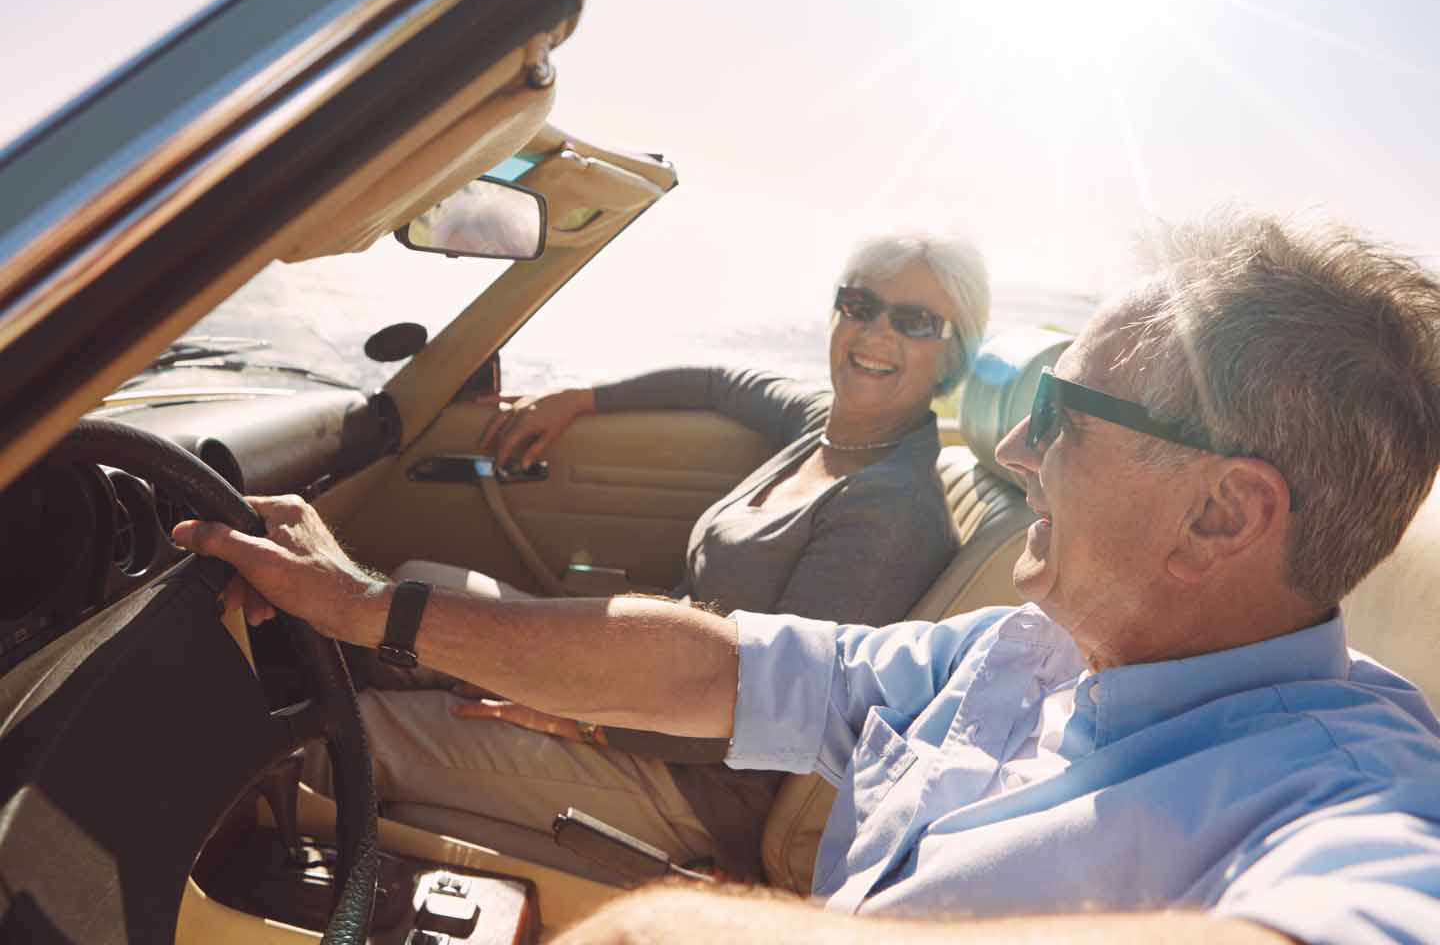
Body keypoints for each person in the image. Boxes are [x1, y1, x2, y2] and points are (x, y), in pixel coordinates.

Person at [175, 209, 1440, 944]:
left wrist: (672, 925)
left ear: (1224, 511)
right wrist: (366, 608)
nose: (1015, 450)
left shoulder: (1361, 790)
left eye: (1064, 415)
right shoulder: (1018, 650)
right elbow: (722, 663)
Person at [362, 234, 991, 878]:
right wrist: (584, 399)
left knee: (365, 732)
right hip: (646, 678)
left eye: (915, 321)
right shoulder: (825, 427)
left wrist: (581, 718)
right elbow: (721, 385)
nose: (876, 331)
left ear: (951, 360)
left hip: (693, 781)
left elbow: (782, 712)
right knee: (417, 590)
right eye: (860, 305)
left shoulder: (889, 513)